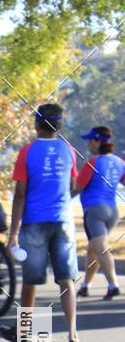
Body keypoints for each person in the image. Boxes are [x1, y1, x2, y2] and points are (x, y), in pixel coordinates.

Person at [0, 103, 81, 342]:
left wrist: (13, 232)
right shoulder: (69, 150)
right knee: (66, 280)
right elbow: (73, 186)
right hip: (63, 222)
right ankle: (73, 337)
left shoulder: (27, 152)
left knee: (31, 281)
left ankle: (23, 333)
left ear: (36, 124)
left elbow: (20, 194)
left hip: (34, 222)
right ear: (59, 124)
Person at [73, 126, 125, 300]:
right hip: (112, 211)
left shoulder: (92, 163)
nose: (88, 144)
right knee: (92, 250)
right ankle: (85, 286)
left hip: (95, 211)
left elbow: (76, 189)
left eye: (90, 140)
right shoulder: (120, 162)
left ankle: (113, 285)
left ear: (98, 141)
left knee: (101, 248)